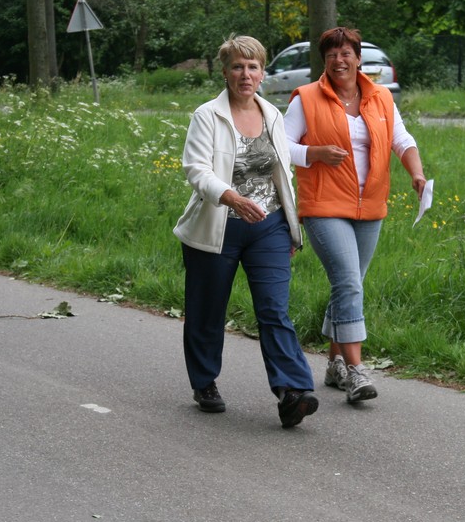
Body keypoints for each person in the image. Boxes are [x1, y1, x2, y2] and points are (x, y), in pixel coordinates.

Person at [173, 34, 318, 428]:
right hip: (218, 225)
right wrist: (231, 198)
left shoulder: (273, 115)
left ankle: (292, 391)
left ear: (263, 73)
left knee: (274, 308)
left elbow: (282, 172)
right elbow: (196, 169)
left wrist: (291, 226)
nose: (245, 74)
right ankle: (204, 382)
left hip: (268, 227)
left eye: (253, 67)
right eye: (237, 66)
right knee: (207, 309)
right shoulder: (207, 115)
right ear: (225, 72)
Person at [284, 27, 426, 403]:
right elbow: (280, 145)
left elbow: (401, 139)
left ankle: (335, 364)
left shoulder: (381, 97)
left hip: (370, 206)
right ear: (324, 61)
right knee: (348, 283)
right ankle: (357, 371)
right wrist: (314, 153)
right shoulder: (306, 99)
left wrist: (416, 173)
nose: (339, 60)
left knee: (350, 285)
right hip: (324, 206)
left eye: (346, 53)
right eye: (331, 54)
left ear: (358, 59)